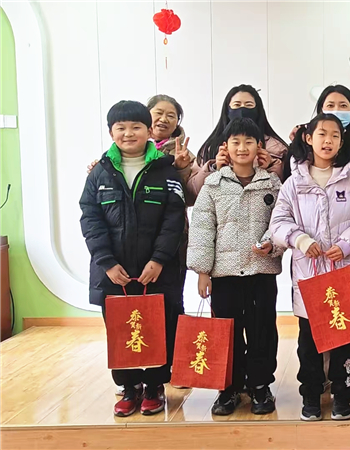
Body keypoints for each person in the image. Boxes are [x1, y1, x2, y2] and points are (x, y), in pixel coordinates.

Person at [270, 113, 350, 422]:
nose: (328, 140)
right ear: (308, 138)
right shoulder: (294, 183)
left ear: (341, 142)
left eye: (334, 135)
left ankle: (342, 394)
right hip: (310, 276)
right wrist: (300, 240)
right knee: (309, 343)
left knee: (345, 340)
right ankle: (311, 395)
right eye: (322, 134)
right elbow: (278, 222)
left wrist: (346, 244)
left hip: (346, 273)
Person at [79, 100, 185, 417]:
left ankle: (154, 386)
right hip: (114, 273)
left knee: (159, 328)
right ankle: (129, 388)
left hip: (157, 270)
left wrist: (159, 259)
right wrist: (106, 263)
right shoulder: (100, 173)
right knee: (121, 330)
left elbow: (174, 220)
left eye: (136, 127)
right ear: (111, 132)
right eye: (121, 128)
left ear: (148, 131)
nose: (128, 133)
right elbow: (90, 219)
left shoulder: (165, 170)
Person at [187, 118, 284, 416]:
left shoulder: (272, 184)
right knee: (226, 332)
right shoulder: (213, 185)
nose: (242, 148)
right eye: (236, 142)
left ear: (259, 147)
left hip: (261, 272)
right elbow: (202, 229)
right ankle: (228, 388)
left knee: (262, 331)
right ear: (225, 147)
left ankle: (260, 386)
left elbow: (282, 222)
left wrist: (272, 244)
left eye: (249, 142)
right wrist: (202, 271)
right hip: (224, 275)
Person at [190, 84, 288, 195]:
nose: (242, 109)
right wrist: (213, 169)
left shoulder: (277, 148)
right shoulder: (210, 148)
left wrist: (271, 167)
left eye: (249, 105)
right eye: (236, 105)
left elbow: (288, 190)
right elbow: (193, 192)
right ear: (227, 110)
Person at [285, 84, 350, 178]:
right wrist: (299, 145)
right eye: (330, 105)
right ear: (321, 110)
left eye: (343, 105)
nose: (336, 110)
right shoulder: (303, 135)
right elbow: (288, 176)